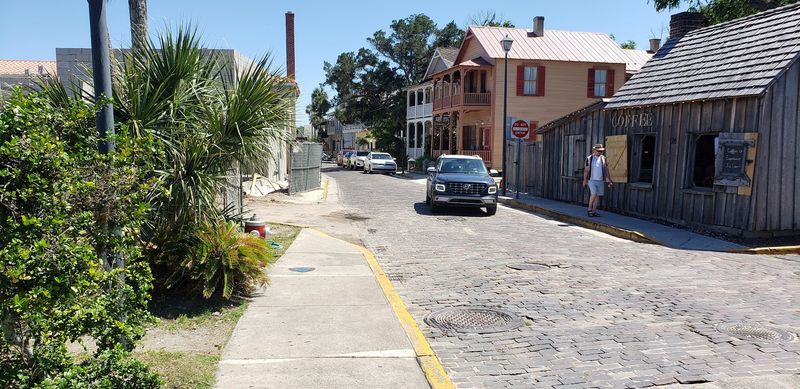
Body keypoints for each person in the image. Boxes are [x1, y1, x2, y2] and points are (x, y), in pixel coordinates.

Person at [582, 144, 613, 217]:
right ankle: (589, 209)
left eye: (601, 151)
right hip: (591, 179)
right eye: (598, 151)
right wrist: (584, 180)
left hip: (600, 180)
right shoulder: (589, 158)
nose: (600, 152)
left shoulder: (603, 158)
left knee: (597, 196)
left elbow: (606, 169)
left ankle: (594, 211)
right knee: (594, 193)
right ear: (594, 150)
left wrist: (609, 179)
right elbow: (586, 170)